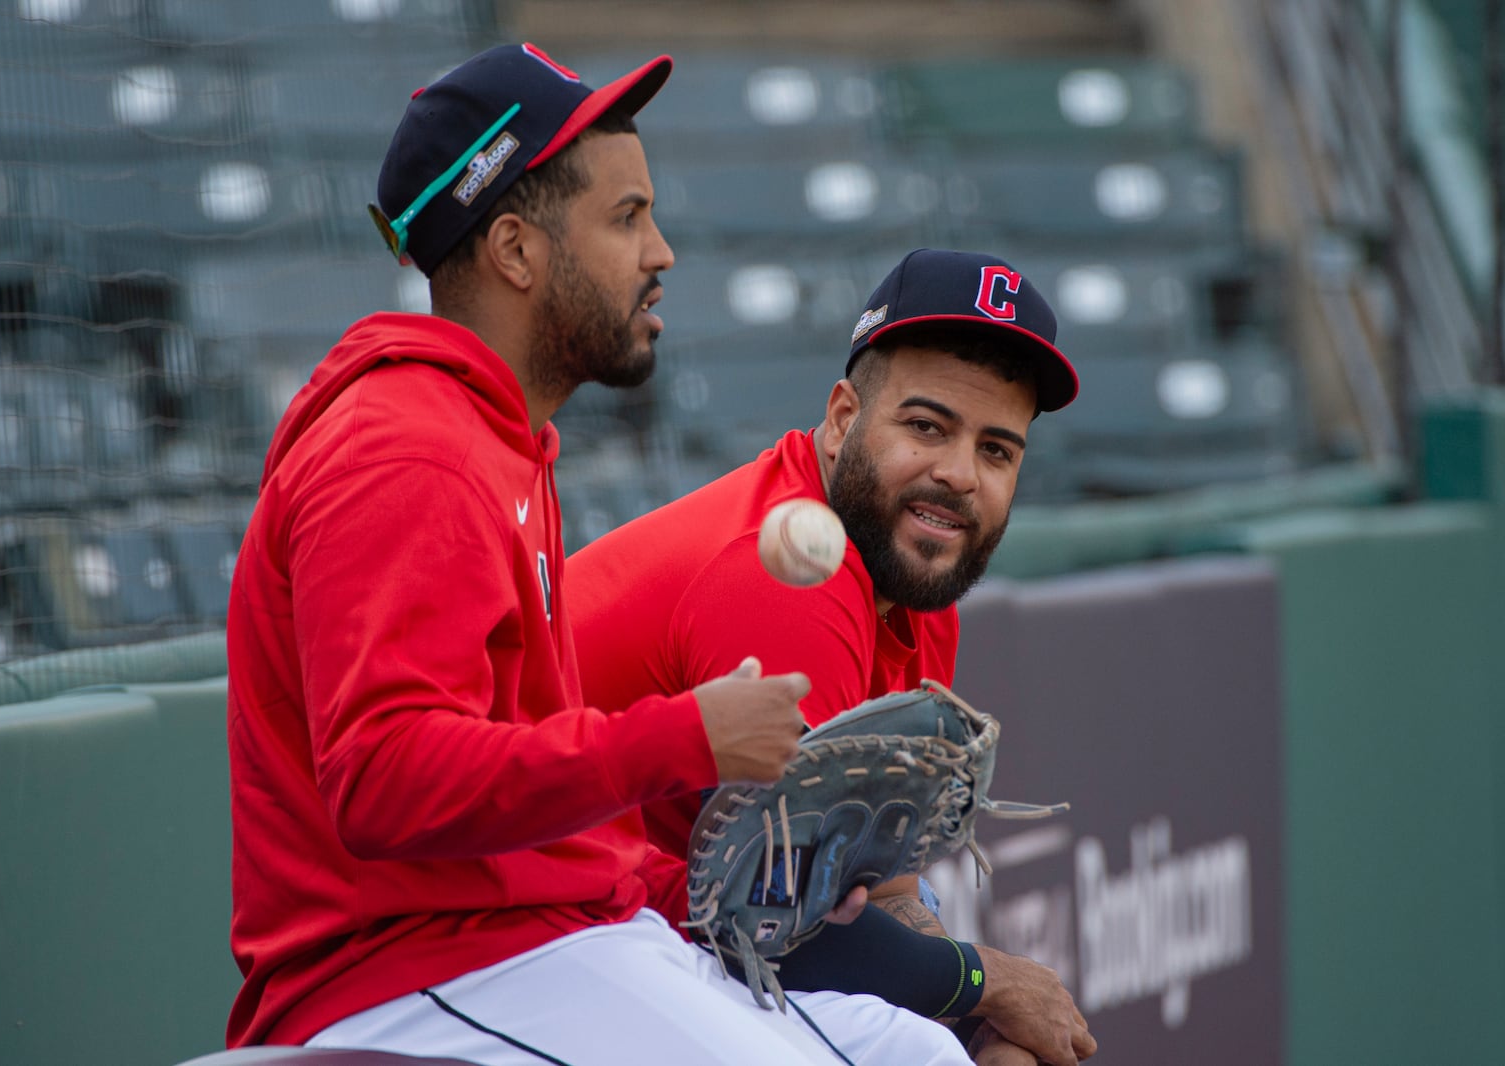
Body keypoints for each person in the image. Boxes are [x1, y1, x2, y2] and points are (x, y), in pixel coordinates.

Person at [224, 43, 974, 1065]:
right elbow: (383, 779)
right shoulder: (404, 448)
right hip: (408, 970)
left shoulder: (499, 441)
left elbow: (550, 836)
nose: (660, 252)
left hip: (539, 940)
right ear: (516, 250)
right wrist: (686, 737)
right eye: (626, 218)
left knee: (919, 1054)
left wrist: (733, 893)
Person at [566, 249, 1098, 1066]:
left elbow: (877, 893)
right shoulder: (787, 575)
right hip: (518, 925)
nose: (958, 475)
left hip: (659, 917)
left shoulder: (914, 573)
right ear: (845, 417)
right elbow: (781, 930)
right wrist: (985, 989)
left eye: (997, 451)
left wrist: (983, 1017)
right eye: (927, 427)